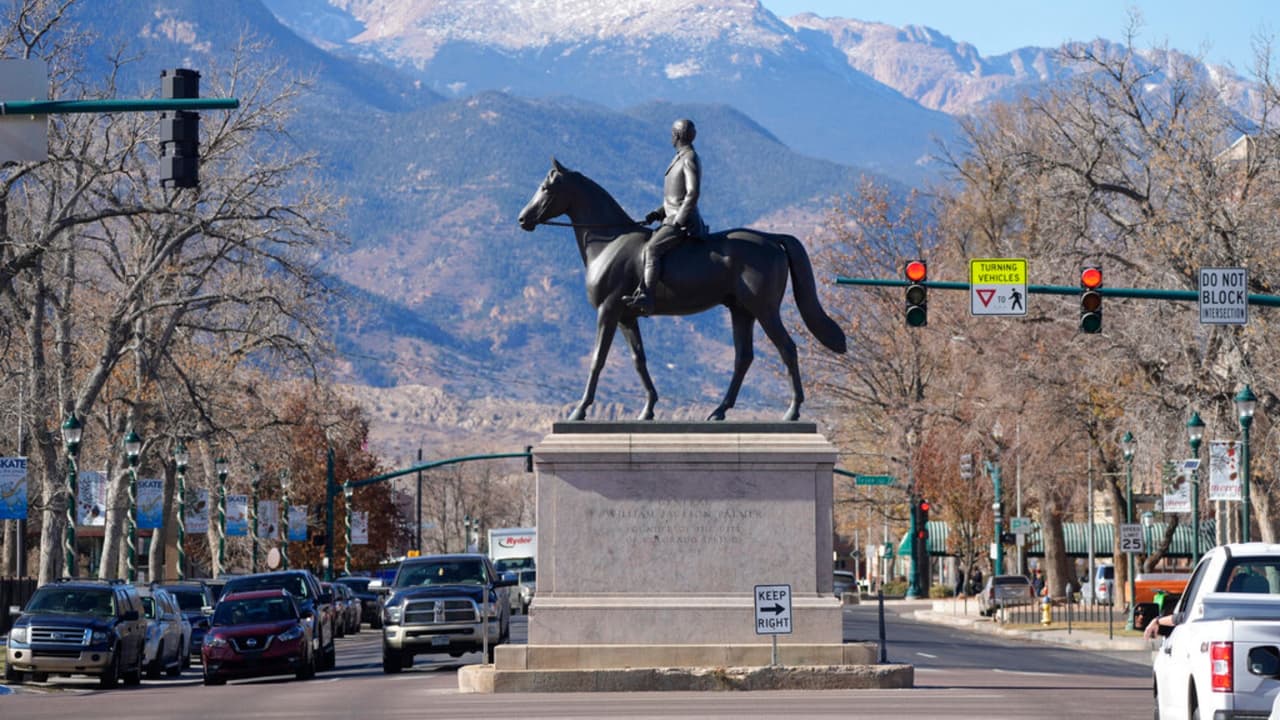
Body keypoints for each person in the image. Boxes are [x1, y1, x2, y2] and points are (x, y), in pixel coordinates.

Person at [625, 118, 707, 314]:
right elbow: (674, 197)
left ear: (677, 136)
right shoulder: (680, 157)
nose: (671, 137)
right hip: (670, 218)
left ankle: (647, 298)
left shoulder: (689, 158)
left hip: (683, 223)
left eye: (672, 133)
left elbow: (692, 193)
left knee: (651, 249)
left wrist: (679, 220)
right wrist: (657, 213)